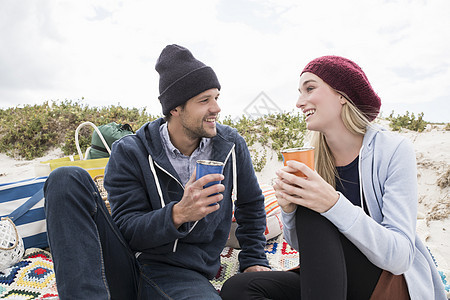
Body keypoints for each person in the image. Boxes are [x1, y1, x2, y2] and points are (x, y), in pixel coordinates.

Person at [44, 44, 270, 300]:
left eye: (216, 97)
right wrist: (178, 214)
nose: (216, 108)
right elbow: (126, 229)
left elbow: (250, 205)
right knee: (65, 179)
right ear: (175, 108)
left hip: (183, 274)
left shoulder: (229, 145)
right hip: (123, 265)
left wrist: (254, 260)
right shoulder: (131, 151)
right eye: (204, 100)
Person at [220, 56, 447, 299]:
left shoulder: (393, 149)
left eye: (310, 88)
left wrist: (332, 203)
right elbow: (304, 246)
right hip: (328, 281)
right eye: (299, 92)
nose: (299, 102)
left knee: (312, 210)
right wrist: (288, 211)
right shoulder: (314, 158)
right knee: (239, 288)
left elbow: (400, 258)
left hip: (383, 281)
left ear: (342, 95)